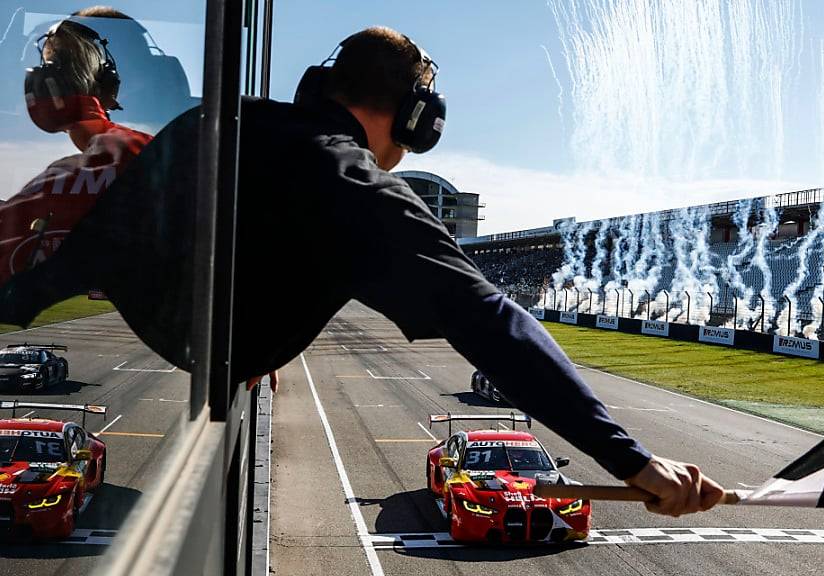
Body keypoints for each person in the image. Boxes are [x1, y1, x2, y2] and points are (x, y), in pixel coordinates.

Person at [0, 27, 723, 516]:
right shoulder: (354, 188)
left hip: (176, 334)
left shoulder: (216, 123)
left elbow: (101, 245)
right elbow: (490, 319)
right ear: (415, 118)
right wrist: (632, 460)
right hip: (210, 360)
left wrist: (23, 295)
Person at [0, 14, 152, 288]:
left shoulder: (57, 180)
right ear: (107, 87)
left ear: (48, 87)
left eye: (48, 66)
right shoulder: (152, 149)